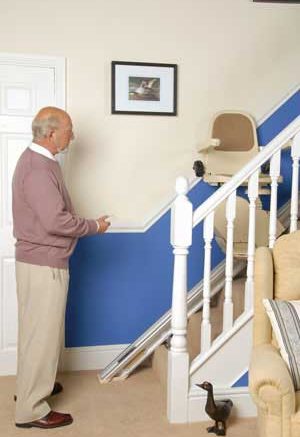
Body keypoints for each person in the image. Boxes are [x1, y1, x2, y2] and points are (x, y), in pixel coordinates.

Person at [12, 107, 110, 429]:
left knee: (35, 334)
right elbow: (55, 221)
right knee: (42, 337)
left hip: (37, 263)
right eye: (69, 129)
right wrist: (95, 226)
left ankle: (31, 389)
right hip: (44, 266)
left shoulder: (38, 161)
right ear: (51, 133)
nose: (73, 135)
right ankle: (32, 409)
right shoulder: (38, 168)